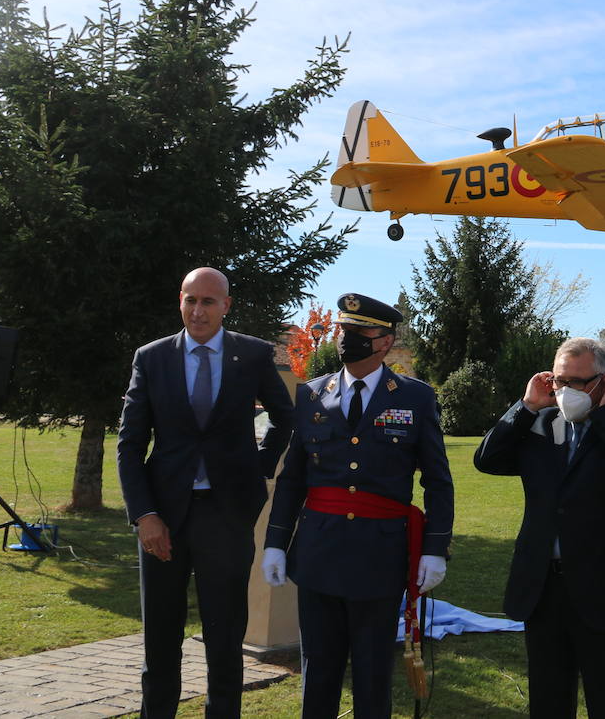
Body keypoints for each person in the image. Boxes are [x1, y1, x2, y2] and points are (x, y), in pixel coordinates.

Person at [261, 293, 454, 719]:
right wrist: (276, 541)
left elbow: (438, 480)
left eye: (359, 332)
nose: (346, 339)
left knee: (371, 674)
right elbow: (293, 477)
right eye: (344, 330)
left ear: (385, 341)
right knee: (319, 669)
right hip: (319, 552)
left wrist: (435, 549)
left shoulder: (415, 397)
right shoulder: (312, 394)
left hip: (378, 554)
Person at [117, 267, 295, 719]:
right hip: (164, 519)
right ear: (180, 300)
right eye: (190, 300)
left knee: (224, 636)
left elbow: (284, 416)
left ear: (226, 306)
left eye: (208, 302)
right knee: (160, 638)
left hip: (226, 514)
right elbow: (130, 444)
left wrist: (257, 471)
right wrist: (144, 515)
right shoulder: (152, 358)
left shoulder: (252, 355)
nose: (198, 311)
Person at [473, 337, 605, 719]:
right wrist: (526, 406)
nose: (566, 391)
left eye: (577, 382)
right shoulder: (539, 423)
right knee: (549, 701)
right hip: (545, 590)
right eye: (559, 381)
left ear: (604, 381)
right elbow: (487, 459)